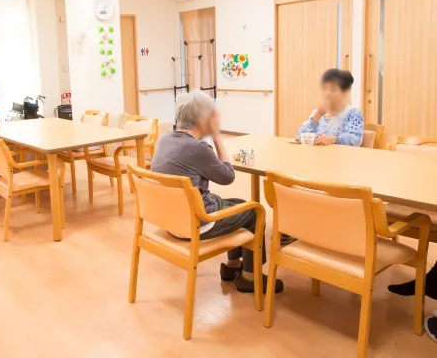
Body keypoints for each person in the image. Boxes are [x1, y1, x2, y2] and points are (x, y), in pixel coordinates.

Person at [151, 90, 284, 294]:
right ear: (202, 120)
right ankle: (250, 277)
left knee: (239, 203)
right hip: (196, 223)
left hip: (171, 219)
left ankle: (232, 267)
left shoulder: (164, 139)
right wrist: (217, 137)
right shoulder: (198, 148)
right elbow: (228, 176)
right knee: (254, 213)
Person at [297, 68, 364, 146]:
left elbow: (355, 139)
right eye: (325, 88)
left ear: (344, 92)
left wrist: (334, 139)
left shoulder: (353, 112)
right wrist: (315, 117)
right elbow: (299, 137)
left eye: (333, 89)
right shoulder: (317, 113)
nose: (327, 93)